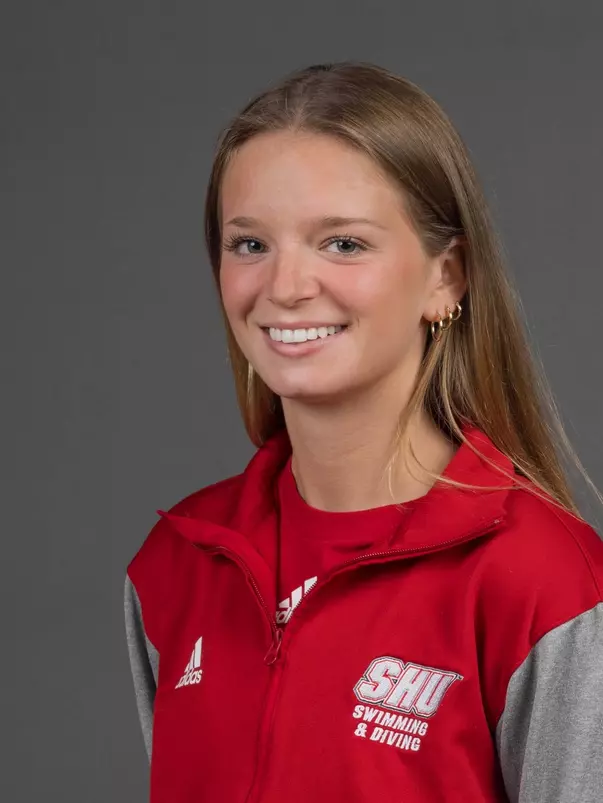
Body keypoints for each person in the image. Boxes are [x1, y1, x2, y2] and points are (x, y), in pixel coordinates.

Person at [124, 61, 603, 803]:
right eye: (249, 244)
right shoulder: (174, 566)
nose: (284, 287)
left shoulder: (542, 581)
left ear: (445, 276)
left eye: (342, 243)